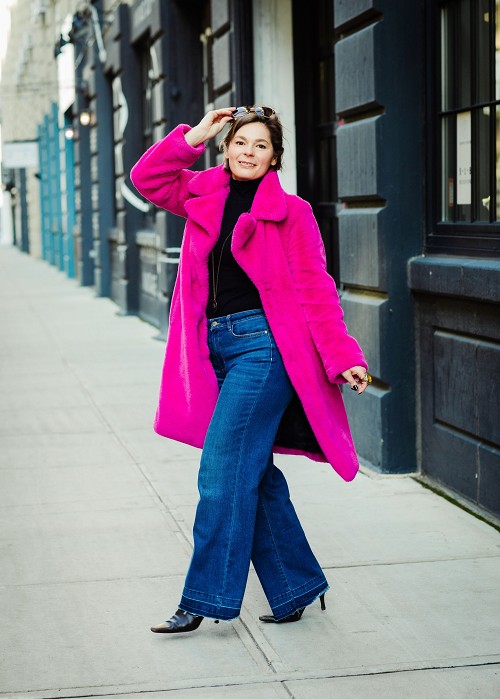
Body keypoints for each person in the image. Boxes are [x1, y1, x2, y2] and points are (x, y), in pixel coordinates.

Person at [131, 106, 369, 634]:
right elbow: (147, 178)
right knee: (252, 471)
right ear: (226, 146)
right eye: (241, 142)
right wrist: (194, 135)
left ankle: (203, 598)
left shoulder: (292, 213)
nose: (249, 152)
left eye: (261, 146)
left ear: (274, 158)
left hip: (264, 350)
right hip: (213, 349)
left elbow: (316, 289)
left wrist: (343, 355)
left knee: (221, 472)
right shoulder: (200, 192)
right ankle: (296, 585)